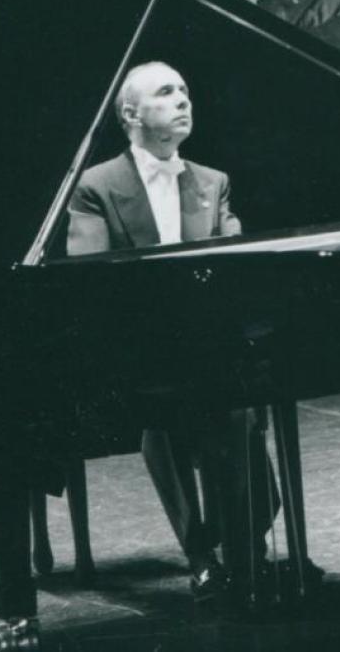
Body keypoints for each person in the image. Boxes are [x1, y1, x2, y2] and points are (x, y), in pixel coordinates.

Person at [66, 60, 273, 595]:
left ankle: (243, 547)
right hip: (136, 353)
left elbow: (235, 264)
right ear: (131, 114)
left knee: (240, 404)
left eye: (185, 89)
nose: (183, 99)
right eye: (166, 92)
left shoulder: (212, 181)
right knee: (166, 411)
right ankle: (202, 552)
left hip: (208, 346)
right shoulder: (95, 186)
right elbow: (89, 280)